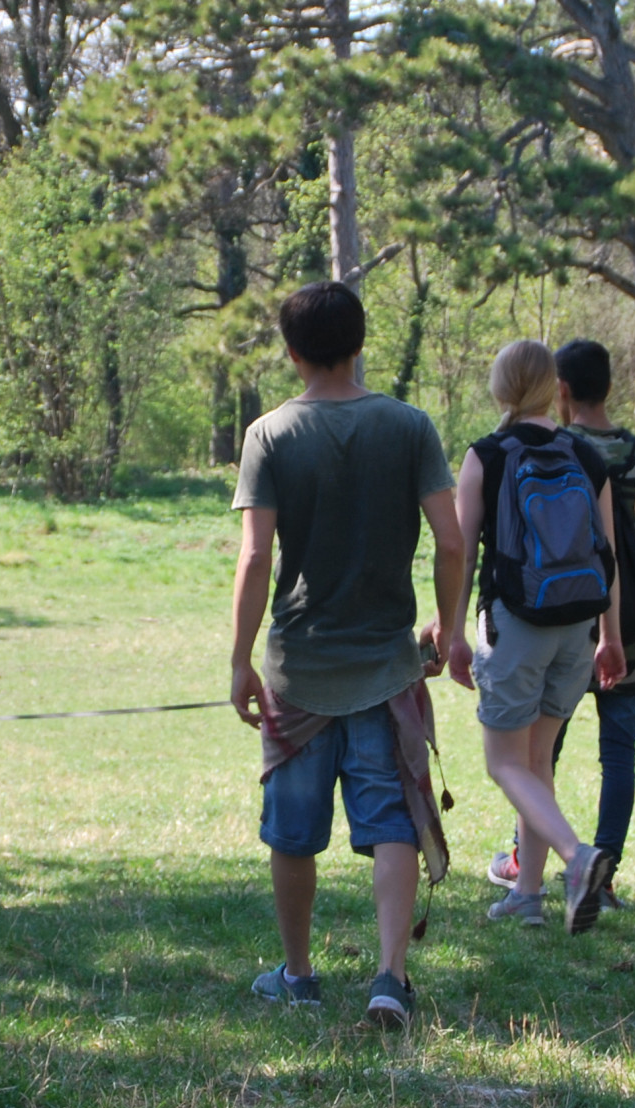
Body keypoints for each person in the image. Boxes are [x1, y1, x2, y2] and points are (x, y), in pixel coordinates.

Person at [231, 280, 467, 1030]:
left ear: (293, 352)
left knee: (292, 831)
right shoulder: (410, 426)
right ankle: (390, 976)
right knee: (393, 820)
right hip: (387, 668)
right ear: (361, 342)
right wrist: (449, 625)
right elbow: (454, 538)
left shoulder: (269, 434)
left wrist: (239, 660)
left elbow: (255, 559)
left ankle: (299, 975)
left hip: (296, 673)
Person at [486, 339, 635, 911]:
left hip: (535, 621)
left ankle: (554, 859)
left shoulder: (518, 450)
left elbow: (472, 543)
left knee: (526, 757)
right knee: (609, 754)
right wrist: (625, 623)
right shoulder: (631, 456)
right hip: (610, 625)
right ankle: (570, 881)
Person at [450, 340, 625, 935]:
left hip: (517, 626)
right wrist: (613, 636)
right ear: (553, 387)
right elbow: (610, 556)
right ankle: (528, 895)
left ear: (503, 389)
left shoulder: (486, 456)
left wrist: (451, 631)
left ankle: (578, 862)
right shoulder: (585, 454)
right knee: (535, 762)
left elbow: (460, 555)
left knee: (505, 764)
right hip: (578, 626)